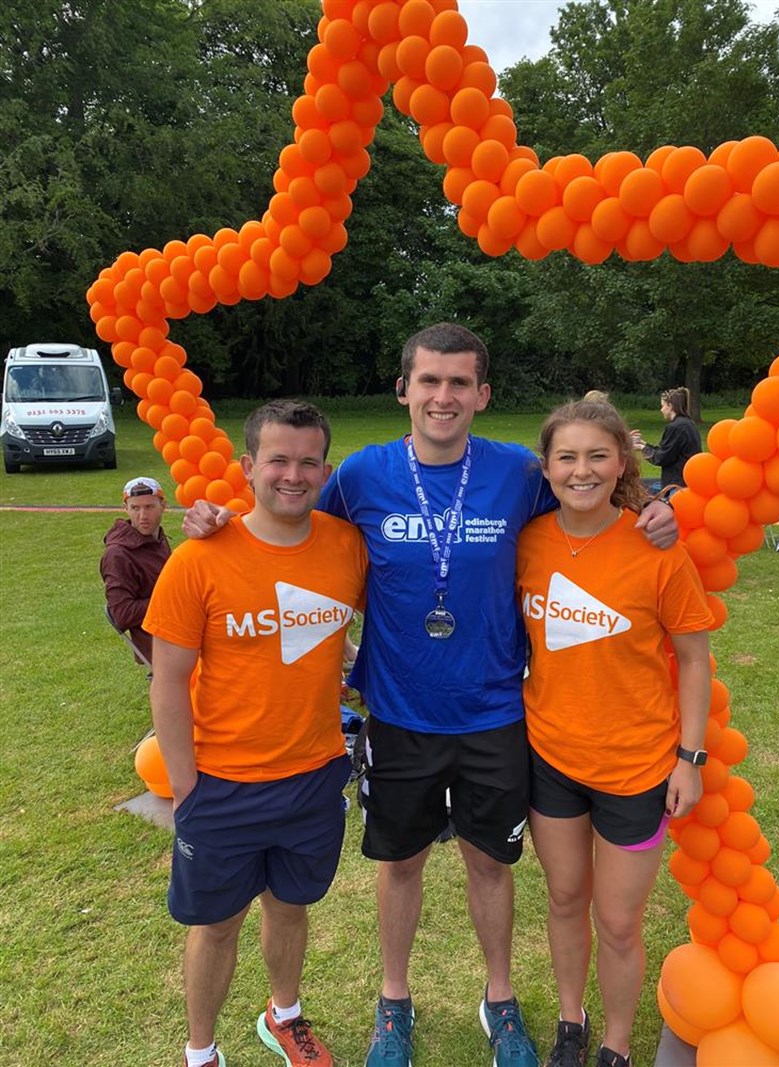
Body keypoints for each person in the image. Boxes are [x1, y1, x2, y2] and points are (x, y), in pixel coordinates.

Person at [183, 324, 678, 1067]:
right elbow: (287, 520)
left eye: (459, 382)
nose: (443, 396)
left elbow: (592, 490)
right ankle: (394, 1001)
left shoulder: (518, 472)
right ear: (403, 389)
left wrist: (658, 505)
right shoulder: (362, 474)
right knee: (401, 864)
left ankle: (499, 998)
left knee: (490, 864)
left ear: (482, 394)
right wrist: (216, 516)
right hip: (398, 713)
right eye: (429, 381)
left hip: (496, 713)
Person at [144, 400, 368, 1067]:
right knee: (217, 925)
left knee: (290, 907)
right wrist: (186, 785)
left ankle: (284, 1016)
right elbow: (167, 680)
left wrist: (351, 662)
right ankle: (201, 1051)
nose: (293, 475)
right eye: (278, 460)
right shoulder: (199, 558)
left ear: (325, 468)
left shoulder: (347, 546)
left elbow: (341, 621)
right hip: (221, 784)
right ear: (247, 466)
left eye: (308, 461)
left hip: (313, 776)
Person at [517, 400, 712, 1067]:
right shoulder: (527, 542)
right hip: (550, 757)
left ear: (622, 462)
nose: (582, 470)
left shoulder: (657, 549)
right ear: (546, 468)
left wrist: (690, 757)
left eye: (597, 455)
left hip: (637, 766)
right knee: (566, 898)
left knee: (620, 921)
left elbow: (693, 657)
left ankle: (616, 1044)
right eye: (567, 457)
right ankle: (571, 1023)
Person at [101, 476, 171, 665]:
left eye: (149, 507)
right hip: (162, 647)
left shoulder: (157, 538)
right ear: (126, 508)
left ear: (163, 506)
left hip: (181, 629)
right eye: (135, 508)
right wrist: (173, 599)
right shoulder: (117, 555)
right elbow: (122, 614)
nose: (143, 516)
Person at [631, 387, 702, 492]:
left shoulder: (676, 427)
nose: (661, 410)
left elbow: (662, 457)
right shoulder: (687, 423)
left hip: (678, 485)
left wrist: (642, 448)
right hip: (687, 482)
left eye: (663, 406)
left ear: (670, 406)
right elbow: (667, 450)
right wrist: (644, 444)